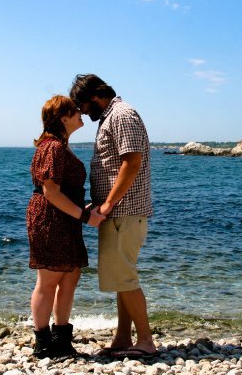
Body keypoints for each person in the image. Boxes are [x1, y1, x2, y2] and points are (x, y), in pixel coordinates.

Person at [70, 74, 157, 359]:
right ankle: (123, 337)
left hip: (124, 211)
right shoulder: (114, 115)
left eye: (82, 105)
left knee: (125, 278)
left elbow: (131, 162)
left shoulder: (121, 114)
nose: (82, 111)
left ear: (95, 96)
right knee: (122, 278)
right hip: (122, 211)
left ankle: (145, 340)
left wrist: (107, 205)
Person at [26, 95, 105, 358]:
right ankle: (43, 343)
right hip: (50, 217)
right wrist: (85, 217)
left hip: (65, 218)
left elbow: (64, 192)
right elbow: (51, 192)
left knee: (70, 276)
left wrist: (83, 210)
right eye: (75, 111)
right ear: (63, 118)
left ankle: (61, 340)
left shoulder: (60, 145)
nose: (80, 112)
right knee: (48, 280)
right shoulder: (53, 148)